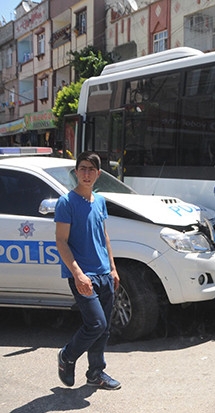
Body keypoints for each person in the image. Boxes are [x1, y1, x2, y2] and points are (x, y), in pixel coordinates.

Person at [55, 151, 121, 390]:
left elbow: (104, 237)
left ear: (98, 174)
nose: (86, 173)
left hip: (104, 273)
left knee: (103, 330)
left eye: (91, 169)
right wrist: (78, 274)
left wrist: (113, 268)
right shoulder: (66, 203)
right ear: (76, 172)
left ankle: (96, 374)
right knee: (96, 324)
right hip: (83, 275)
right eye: (82, 168)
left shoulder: (100, 201)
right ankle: (67, 356)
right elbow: (61, 241)